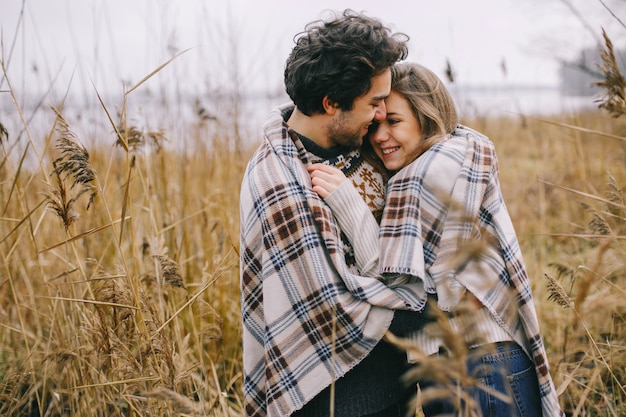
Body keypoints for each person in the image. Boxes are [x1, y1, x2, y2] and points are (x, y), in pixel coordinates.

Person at [309, 62, 564, 416]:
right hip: (485, 362)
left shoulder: (428, 172)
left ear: (426, 118)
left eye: (394, 121)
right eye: (375, 125)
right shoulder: (458, 155)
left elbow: (401, 291)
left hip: (473, 367)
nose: (380, 136)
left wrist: (349, 206)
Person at [240, 10, 434, 417]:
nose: (381, 115)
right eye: (374, 103)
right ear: (331, 104)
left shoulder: (362, 150)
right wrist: (436, 311)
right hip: (338, 403)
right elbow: (337, 308)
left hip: (397, 389)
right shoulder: (281, 185)